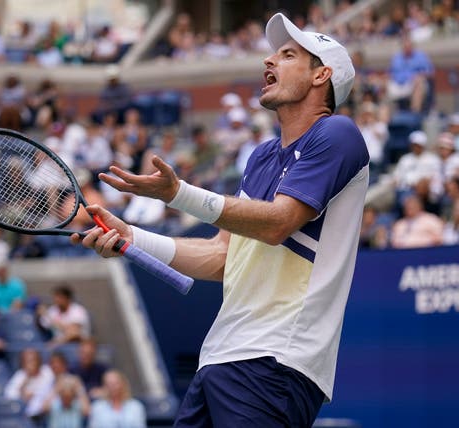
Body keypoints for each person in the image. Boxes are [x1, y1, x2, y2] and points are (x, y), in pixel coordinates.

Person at [73, 13, 369, 427]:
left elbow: (278, 223)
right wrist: (132, 236)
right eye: (272, 53)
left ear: (322, 75)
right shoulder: (262, 157)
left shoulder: (338, 134)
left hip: (276, 359)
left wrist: (178, 195)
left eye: (287, 55)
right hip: (220, 357)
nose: (269, 61)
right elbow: (219, 256)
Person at [4, 348, 54, 419]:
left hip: (45, 413)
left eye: (32, 360)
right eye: (26, 361)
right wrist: (26, 381)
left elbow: (50, 389)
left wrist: (35, 395)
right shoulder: (20, 375)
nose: (30, 364)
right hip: (24, 415)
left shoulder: (47, 372)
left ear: (38, 360)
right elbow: (9, 395)